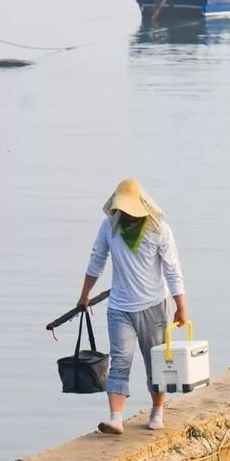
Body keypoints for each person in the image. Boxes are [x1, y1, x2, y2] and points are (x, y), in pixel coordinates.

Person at [77, 178, 187, 434]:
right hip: (119, 307)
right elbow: (97, 261)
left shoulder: (159, 230)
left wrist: (181, 306)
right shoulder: (109, 227)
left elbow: (172, 270)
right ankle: (116, 418)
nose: (125, 215)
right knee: (120, 360)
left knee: (156, 362)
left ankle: (157, 412)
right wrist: (84, 295)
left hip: (154, 305)